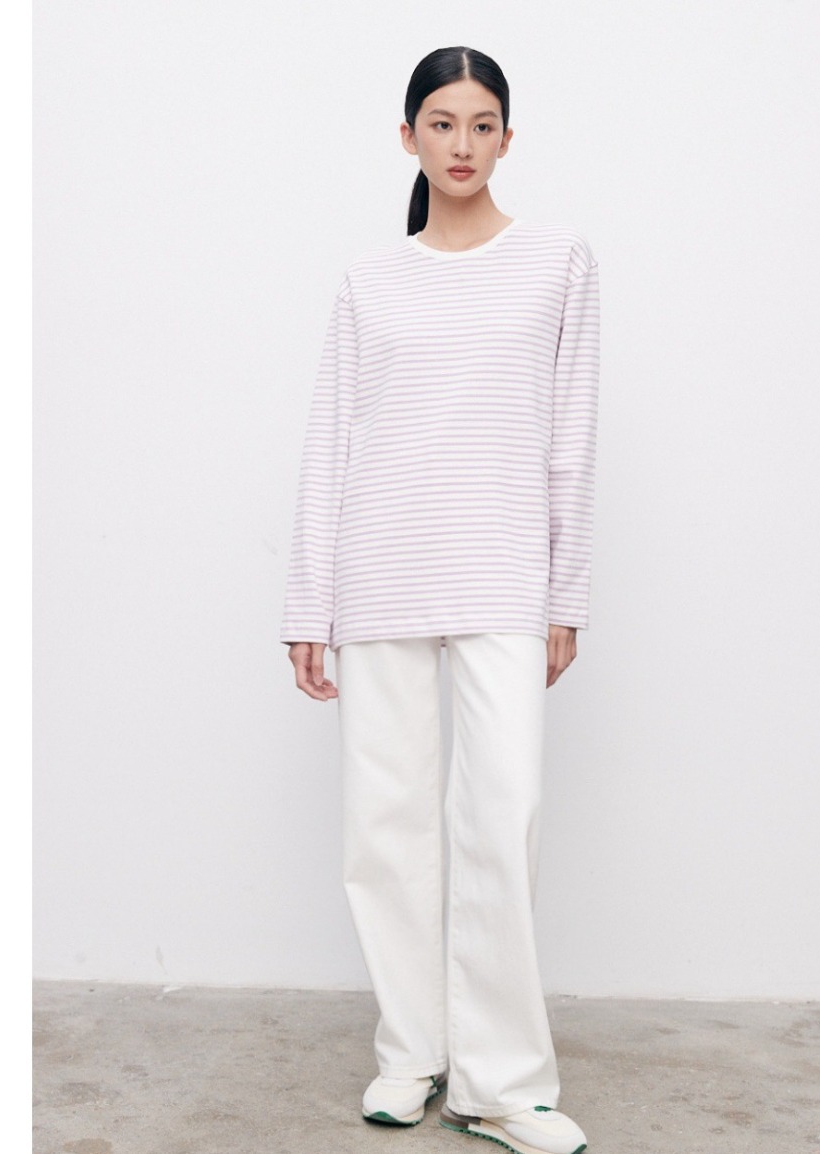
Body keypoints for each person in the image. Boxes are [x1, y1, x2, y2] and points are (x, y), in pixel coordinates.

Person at [280, 45, 599, 1154]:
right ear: (408, 135)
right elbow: (332, 440)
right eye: (441, 123)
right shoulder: (369, 280)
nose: (461, 144)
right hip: (379, 573)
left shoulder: (558, 262)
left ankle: (501, 1083)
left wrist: (564, 589)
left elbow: (569, 437)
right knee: (387, 825)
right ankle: (409, 1053)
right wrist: (308, 602)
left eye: (481, 124)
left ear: (508, 137)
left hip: (502, 573)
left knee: (500, 817)